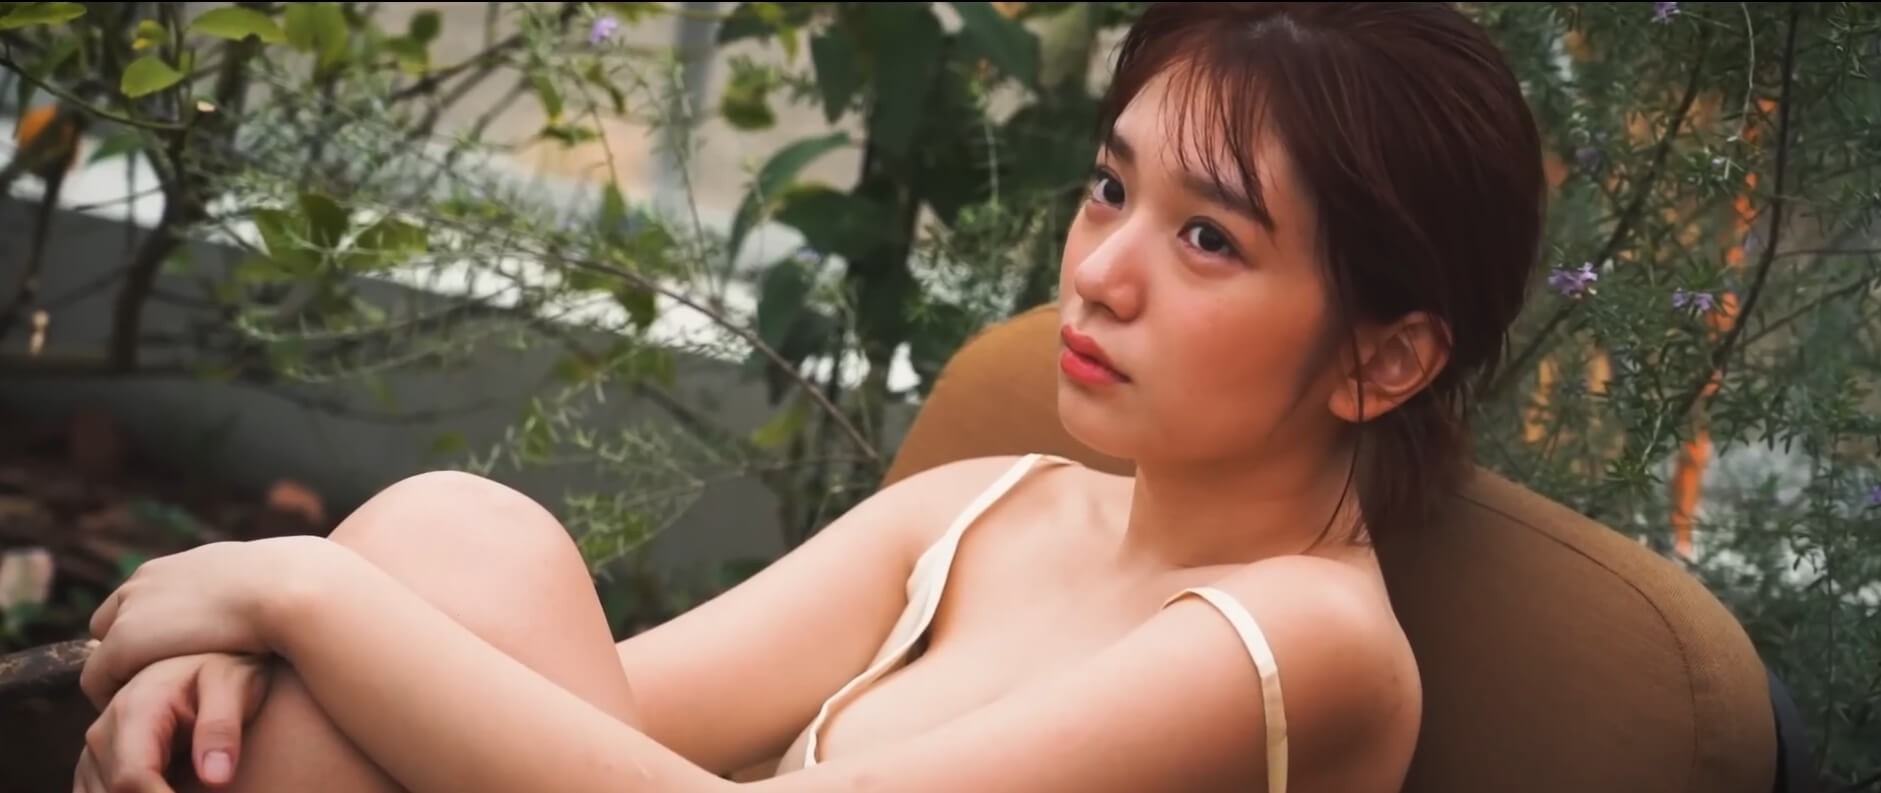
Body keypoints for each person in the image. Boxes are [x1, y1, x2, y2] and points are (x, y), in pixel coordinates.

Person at [73, 3, 1545, 792]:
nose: (1099, 272)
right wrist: (265, 661)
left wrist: (297, 596)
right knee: (453, 549)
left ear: (1383, 359)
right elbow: (559, 725)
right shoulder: (986, 510)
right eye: (1110, 188)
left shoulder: (1303, 645)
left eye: (1208, 238)